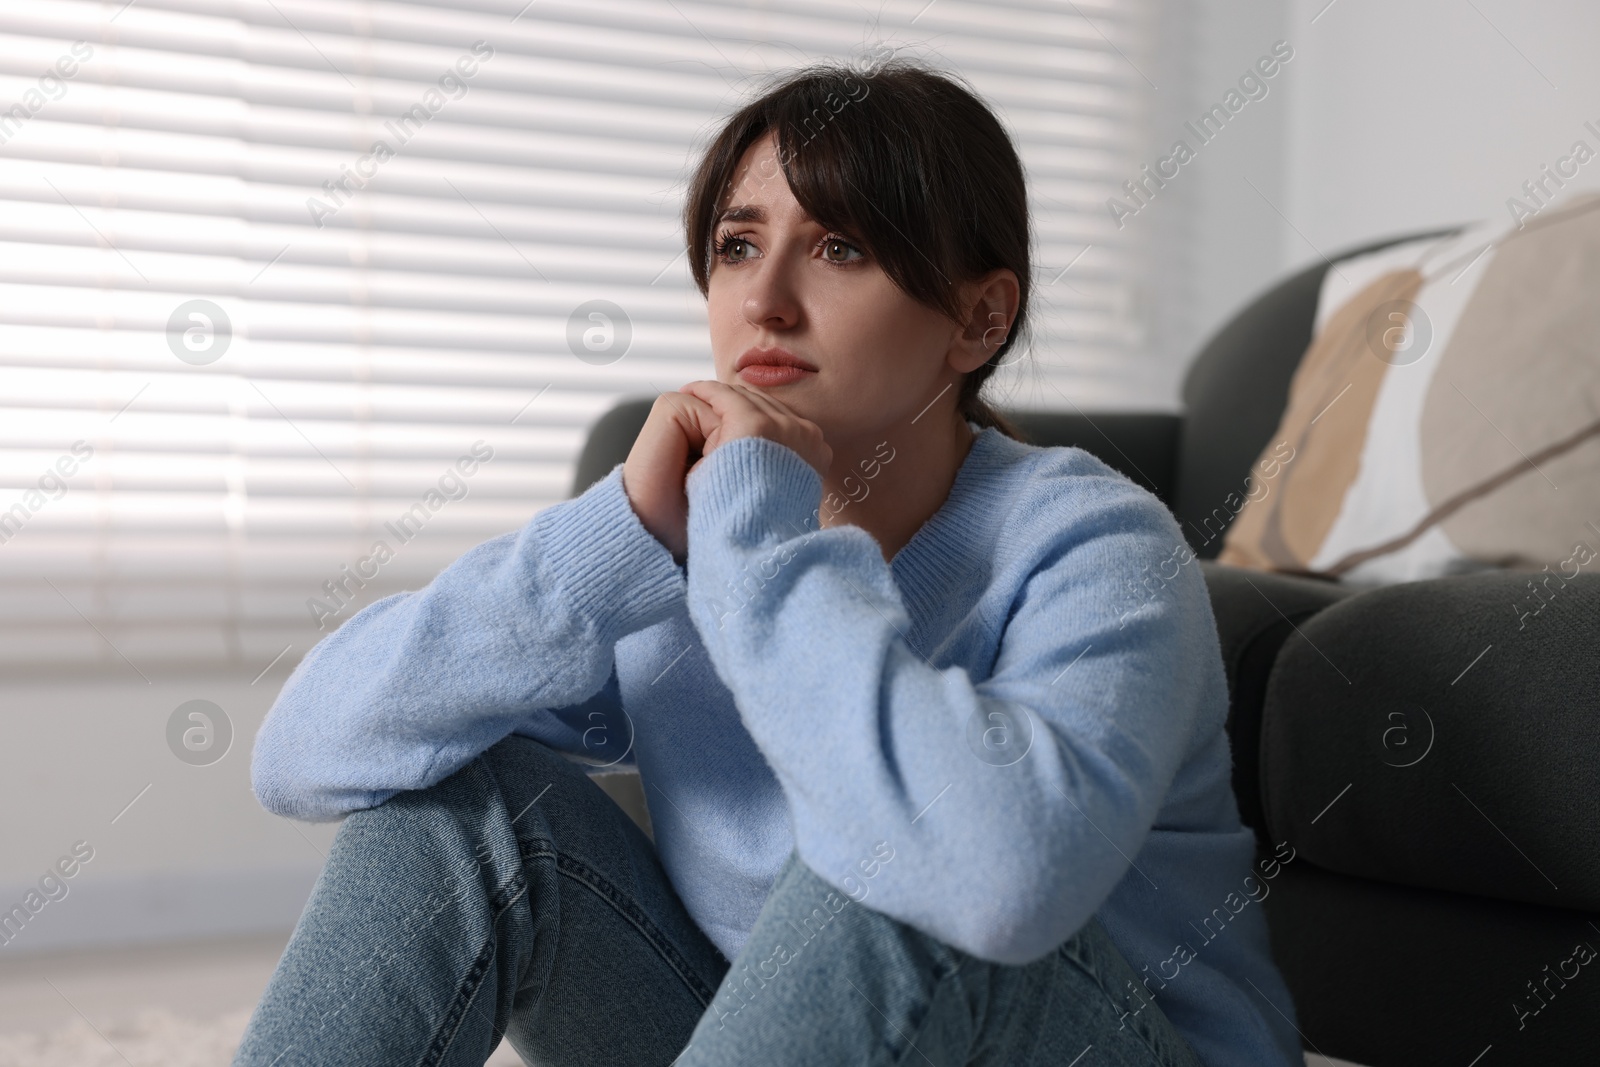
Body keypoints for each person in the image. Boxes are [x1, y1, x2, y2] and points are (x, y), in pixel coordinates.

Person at [235, 59, 1305, 1067]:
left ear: (979, 318)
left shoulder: (1094, 543)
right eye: (739, 245)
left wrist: (759, 542)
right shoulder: (684, 538)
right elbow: (305, 753)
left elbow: (994, 886)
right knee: (459, 808)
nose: (764, 300)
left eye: (840, 248)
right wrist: (615, 540)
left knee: (895, 863)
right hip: (789, 1028)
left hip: (1070, 1033)